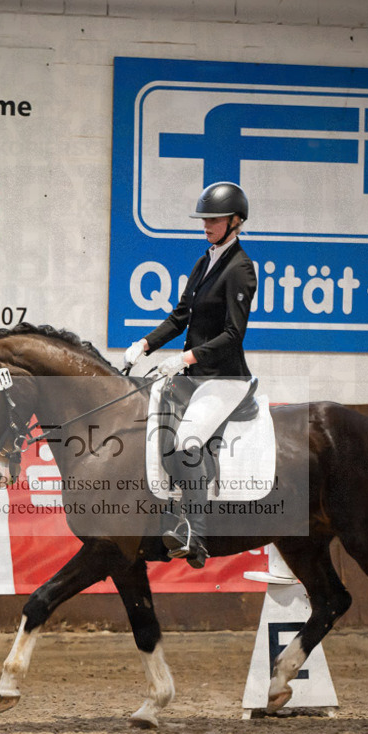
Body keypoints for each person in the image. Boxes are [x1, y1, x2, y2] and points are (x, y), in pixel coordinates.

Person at [124, 181, 257, 568]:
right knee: (153, 426)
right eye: (204, 219)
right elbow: (181, 316)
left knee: (186, 442)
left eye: (214, 219)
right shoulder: (205, 261)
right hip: (195, 374)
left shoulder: (240, 268)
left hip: (224, 379)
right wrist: (145, 345)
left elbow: (233, 335)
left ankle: (195, 535)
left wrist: (186, 358)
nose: (207, 225)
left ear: (236, 221)